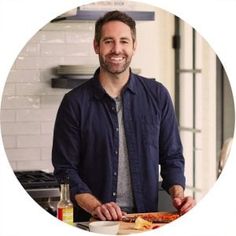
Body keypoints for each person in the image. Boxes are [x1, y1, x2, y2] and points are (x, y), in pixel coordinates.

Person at [52, 10, 195, 222]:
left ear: (134, 46)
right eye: (108, 41)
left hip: (144, 221)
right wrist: (97, 207)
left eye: (124, 41)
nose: (117, 49)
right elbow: (66, 171)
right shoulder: (74, 103)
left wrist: (178, 195)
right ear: (96, 46)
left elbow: (172, 157)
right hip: (93, 223)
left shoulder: (157, 95)